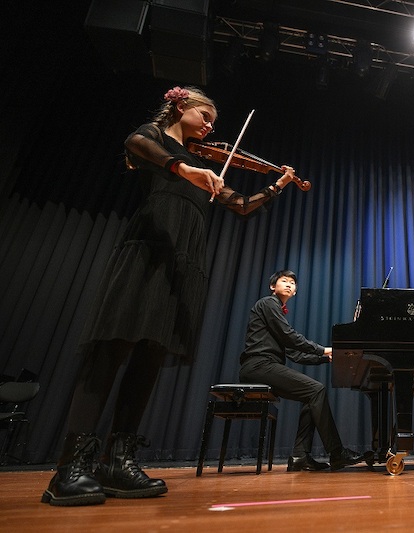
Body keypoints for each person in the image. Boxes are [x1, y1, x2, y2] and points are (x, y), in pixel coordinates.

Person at [42, 86, 300, 506]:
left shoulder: (204, 167)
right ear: (180, 106)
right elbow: (135, 142)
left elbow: (241, 205)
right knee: (111, 351)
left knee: (149, 357)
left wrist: (279, 185)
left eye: (214, 120)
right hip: (148, 251)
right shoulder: (157, 141)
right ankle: (69, 469)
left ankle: (116, 463)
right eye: (205, 115)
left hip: (185, 263)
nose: (211, 125)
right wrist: (184, 169)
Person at [239, 270, 365, 472]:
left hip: (264, 366)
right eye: (284, 281)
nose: (289, 285)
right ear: (273, 286)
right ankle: (336, 452)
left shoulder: (276, 311)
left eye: (292, 283)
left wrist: (327, 358)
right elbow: (290, 337)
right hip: (258, 365)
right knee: (316, 390)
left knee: (312, 396)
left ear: (295, 291)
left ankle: (300, 456)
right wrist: (323, 349)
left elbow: (295, 354)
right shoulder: (268, 304)